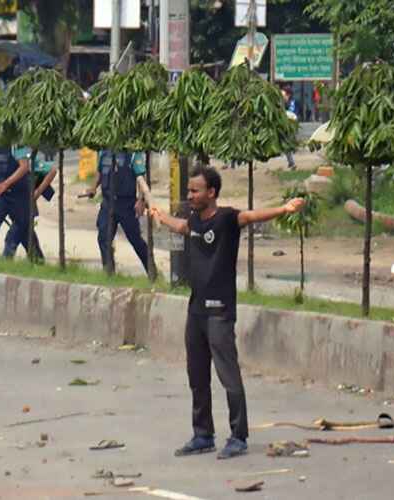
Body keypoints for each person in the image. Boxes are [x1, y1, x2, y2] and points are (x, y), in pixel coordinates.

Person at [150, 166, 305, 460]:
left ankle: (238, 436)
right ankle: (203, 435)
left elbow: (251, 216)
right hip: (195, 312)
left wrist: (284, 208)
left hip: (220, 312)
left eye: (195, 190)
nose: (190, 195)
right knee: (197, 376)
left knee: (228, 375)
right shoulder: (194, 220)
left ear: (212, 192)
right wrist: (159, 216)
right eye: (189, 190)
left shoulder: (227, 219)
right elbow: (181, 226)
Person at [83, 150, 152, 275]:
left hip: (126, 204)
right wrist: (93, 188)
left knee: (135, 239)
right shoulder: (104, 153)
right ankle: (109, 273)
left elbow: (141, 176)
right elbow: (100, 172)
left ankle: (152, 272)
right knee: (103, 238)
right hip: (108, 203)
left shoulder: (132, 154)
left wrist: (141, 200)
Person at [0, 146, 34, 259]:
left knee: (23, 233)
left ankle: (37, 260)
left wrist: (5, 184)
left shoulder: (17, 144)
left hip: (19, 195)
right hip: (0, 196)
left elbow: (24, 167)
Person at [2, 147, 57, 261]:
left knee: (13, 237)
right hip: (15, 203)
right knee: (27, 236)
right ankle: (38, 260)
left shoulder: (24, 154)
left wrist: (37, 192)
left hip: (26, 205)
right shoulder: (8, 154)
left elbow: (52, 170)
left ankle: (5, 261)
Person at [281, 86, 298, 170]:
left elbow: (290, 113)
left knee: (286, 143)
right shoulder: (289, 102)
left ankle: (292, 163)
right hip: (289, 123)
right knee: (286, 143)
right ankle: (291, 162)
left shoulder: (290, 102)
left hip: (289, 124)